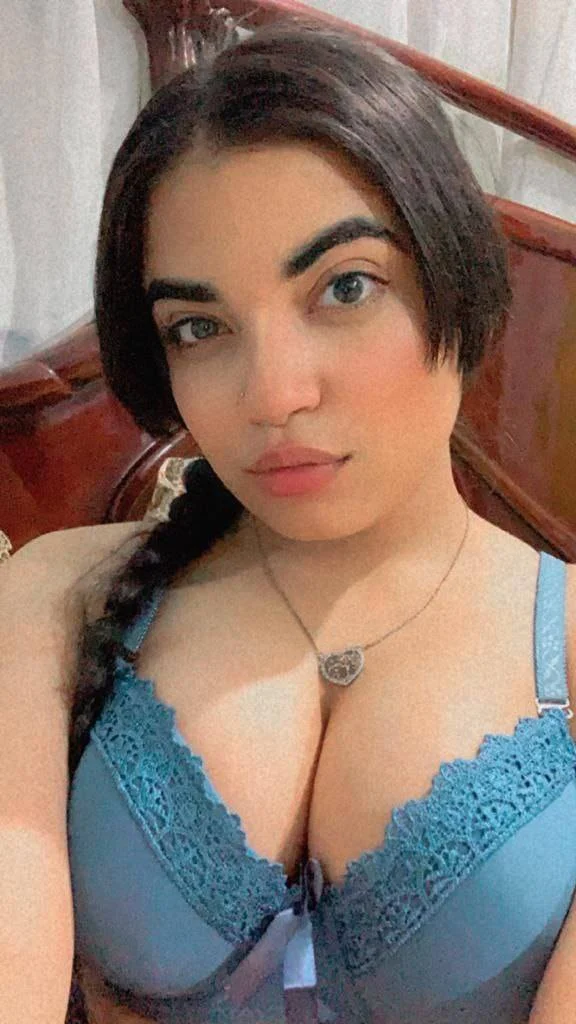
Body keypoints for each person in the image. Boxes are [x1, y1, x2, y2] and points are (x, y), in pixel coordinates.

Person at [1, 14, 575, 1024]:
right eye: (200, 326)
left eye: (345, 287)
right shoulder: (59, 594)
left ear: (457, 275)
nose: (271, 395)